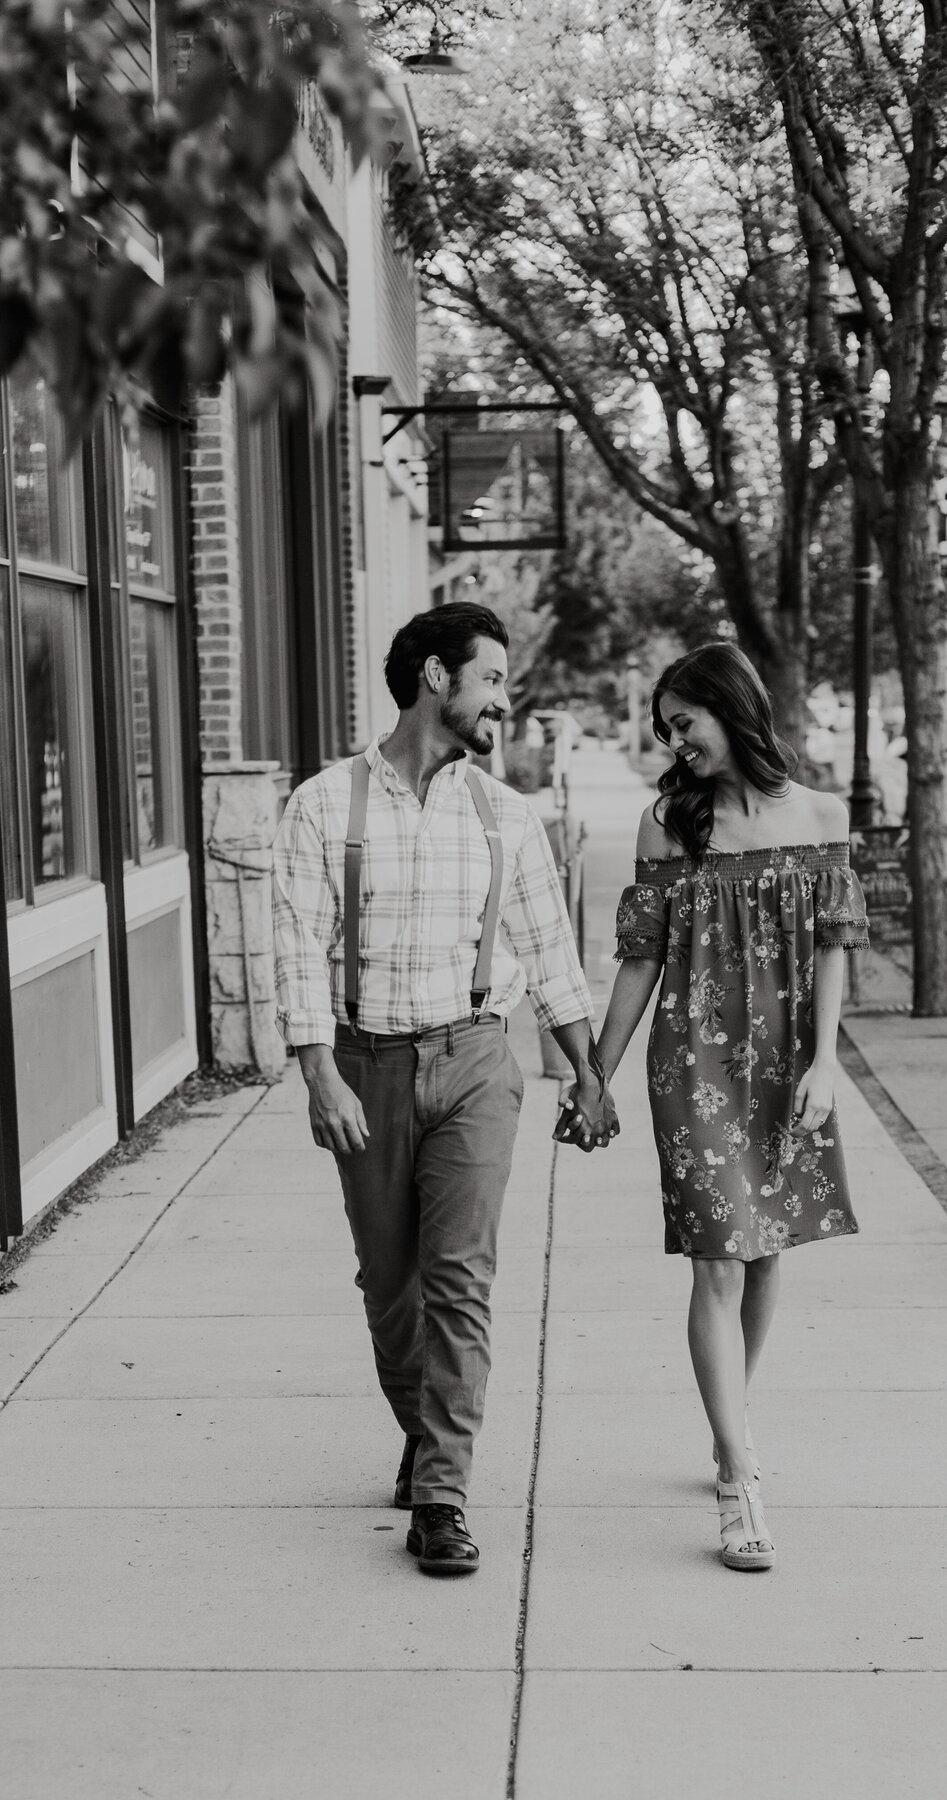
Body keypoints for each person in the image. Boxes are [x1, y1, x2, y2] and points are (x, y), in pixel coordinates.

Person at [271, 603, 617, 1578]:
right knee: (392, 1289)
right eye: (493, 678)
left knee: (461, 1283)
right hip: (367, 1067)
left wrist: (587, 1074)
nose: (502, 699)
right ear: (436, 677)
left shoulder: (505, 816)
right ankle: (427, 1437)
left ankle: (443, 1497)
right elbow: (297, 948)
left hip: (475, 1061)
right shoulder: (322, 805)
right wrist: (315, 1072)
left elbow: (552, 956)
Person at [593, 642, 868, 1572]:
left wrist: (826, 1064)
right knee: (718, 1262)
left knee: (765, 1255)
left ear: (731, 707)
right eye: (667, 729)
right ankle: (738, 1479)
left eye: (685, 722)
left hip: (789, 1060)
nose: (675, 741)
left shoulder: (821, 815)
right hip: (696, 1065)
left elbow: (834, 943)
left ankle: (726, 1427)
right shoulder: (672, 824)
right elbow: (640, 958)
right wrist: (596, 1070)